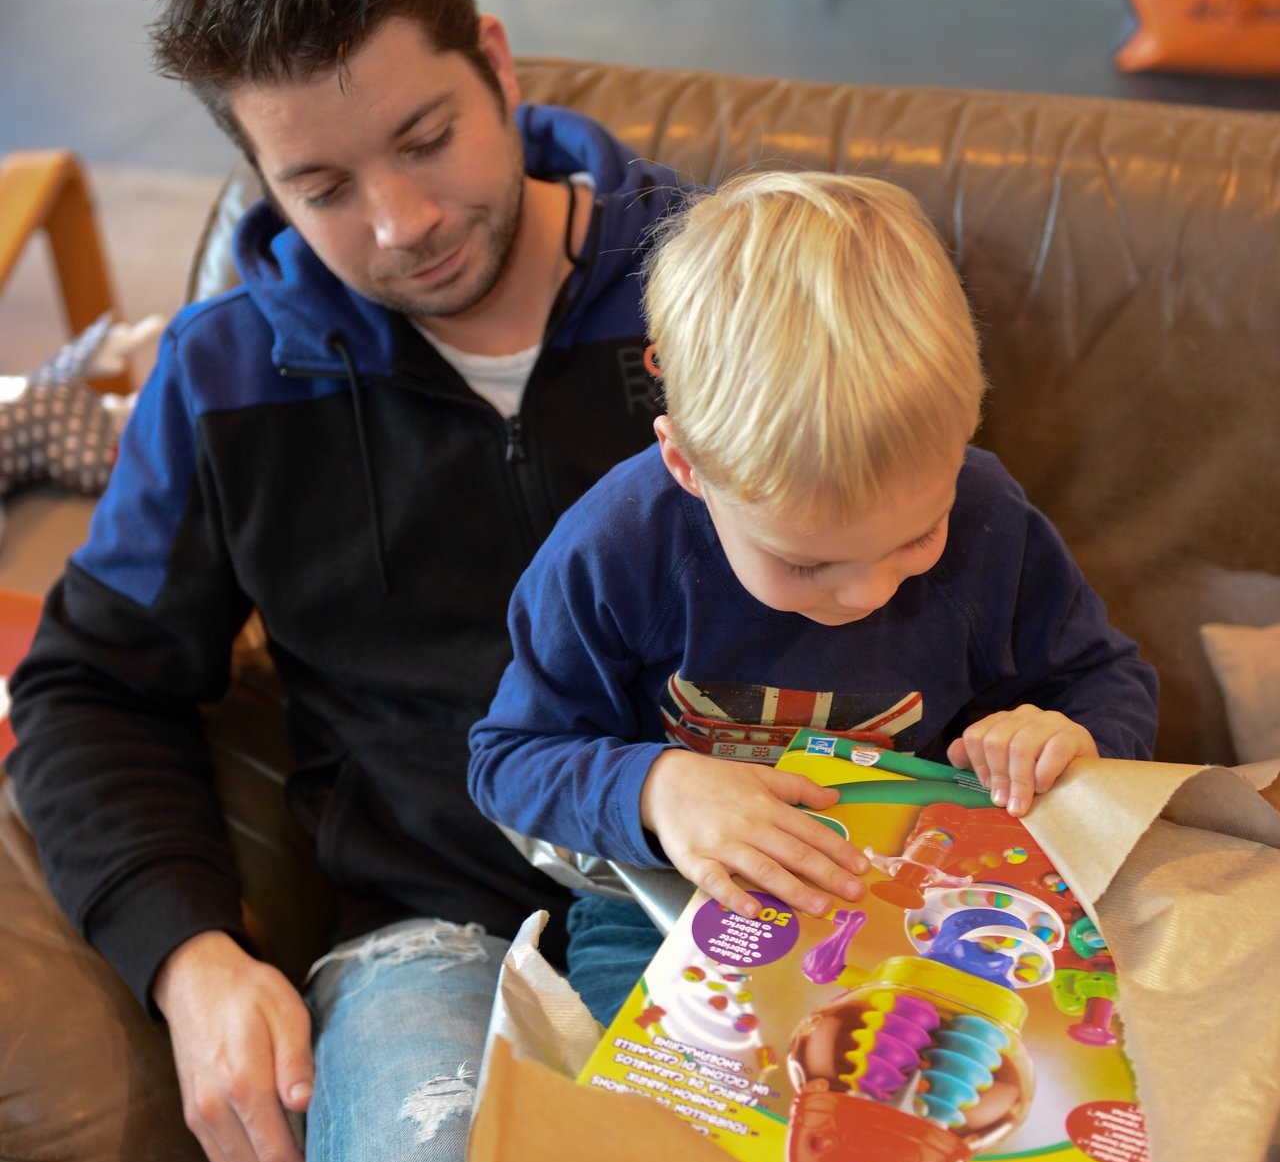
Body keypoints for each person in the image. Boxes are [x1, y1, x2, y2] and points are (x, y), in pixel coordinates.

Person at [7, 0, 944, 1162]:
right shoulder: (232, 380)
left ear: (498, 60)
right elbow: (88, 688)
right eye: (321, 185)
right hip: (424, 949)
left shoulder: (712, 291)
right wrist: (191, 956)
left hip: (726, 912)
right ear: (257, 182)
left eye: (428, 137)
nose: (400, 222)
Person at [469, 166, 1160, 1032]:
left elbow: (1110, 680)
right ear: (687, 464)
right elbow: (506, 760)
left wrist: (1070, 734)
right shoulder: (616, 547)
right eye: (802, 563)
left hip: (925, 897)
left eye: (916, 538)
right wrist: (659, 788)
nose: (866, 591)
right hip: (667, 910)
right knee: (670, 1129)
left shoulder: (991, 519)